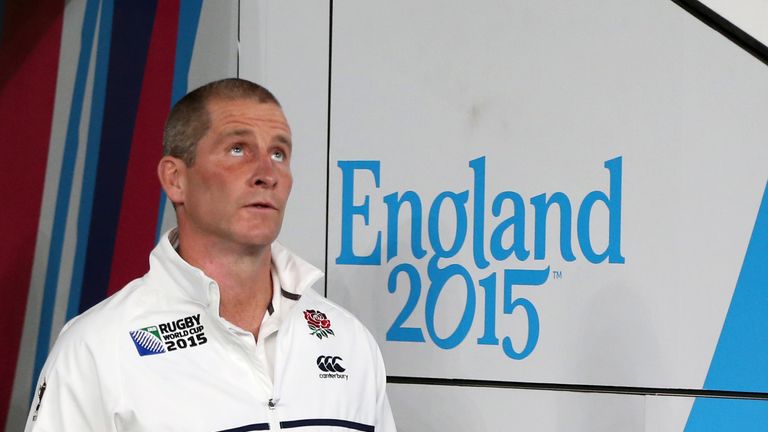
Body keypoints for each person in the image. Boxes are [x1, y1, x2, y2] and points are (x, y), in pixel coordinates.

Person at [25, 78, 396, 432]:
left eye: (279, 153)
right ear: (175, 179)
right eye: (238, 149)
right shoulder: (99, 347)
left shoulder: (349, 341)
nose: (267, 173)